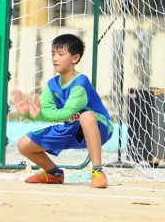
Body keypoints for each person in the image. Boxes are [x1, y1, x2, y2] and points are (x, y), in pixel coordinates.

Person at [13, 33, 113, 188]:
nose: (55, 58)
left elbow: (64, 114)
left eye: (60, 54)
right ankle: (54, 174)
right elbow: (44, 112)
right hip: (72, 127)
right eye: (53, 54)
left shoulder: (81, 83)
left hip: (100, 128)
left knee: (86, 116)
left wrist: (39, 115)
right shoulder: (52, 84)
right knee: (23, 144)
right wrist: (27, 113)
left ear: (75, 58)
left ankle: (97, 171)